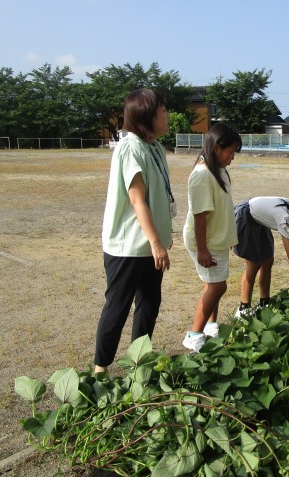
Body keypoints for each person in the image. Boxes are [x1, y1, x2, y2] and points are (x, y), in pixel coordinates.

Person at [93, 89, 174, 374]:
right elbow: (137, 199)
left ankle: (138, 362)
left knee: (149, 304)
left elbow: (158, 196)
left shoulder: (155, 147)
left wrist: (161, 238)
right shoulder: (130, 147)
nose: (167, 114)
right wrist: (156, 242)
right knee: (118, 306)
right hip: (128, 245)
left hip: (151, 245)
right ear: (147, 115)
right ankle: (100, 369)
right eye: (163, 110)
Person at [182, 124, 242, 352]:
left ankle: (210, 325)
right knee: (217, 286)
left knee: (212, 283)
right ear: (217, 148)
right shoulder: (202, 175)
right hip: (205, 240)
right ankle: (194, 336)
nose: (232, 157)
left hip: (216, 238)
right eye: (231, 152)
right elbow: (200, 217)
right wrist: (203, 250)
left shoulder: (218, 170)